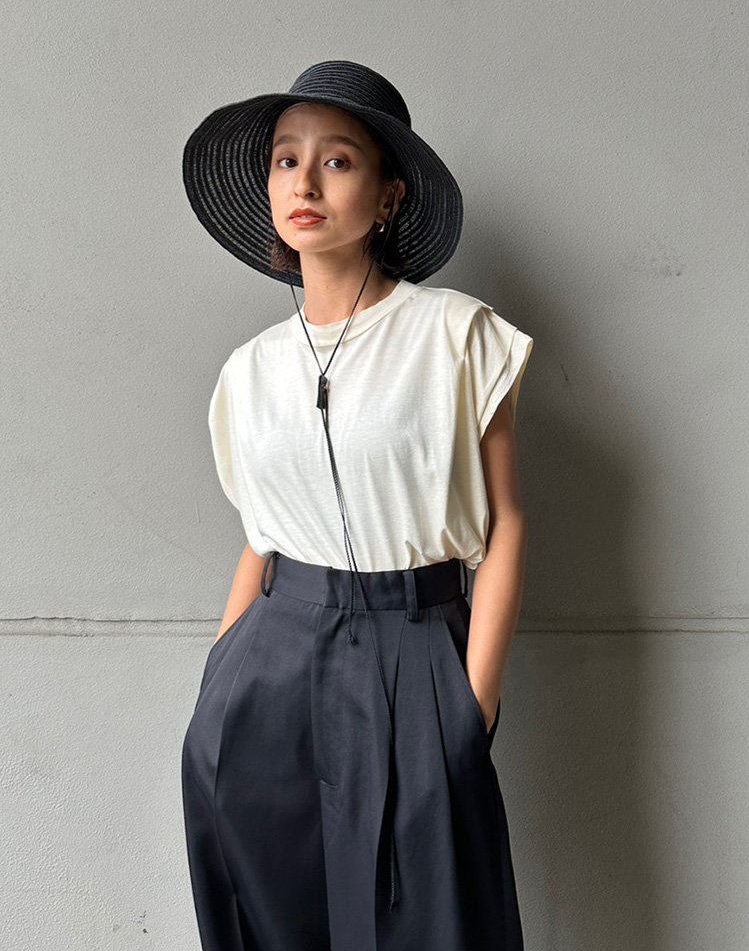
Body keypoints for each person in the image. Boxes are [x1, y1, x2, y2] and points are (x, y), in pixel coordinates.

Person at [180, 60, 534, 951]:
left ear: (387, 197)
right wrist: (218, 680)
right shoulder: (249, 371)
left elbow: (506, 525)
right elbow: (260, 537)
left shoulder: (456, 335)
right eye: (285, 159)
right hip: (270, 660)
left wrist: (471, 707)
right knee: (272, 921)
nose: (304, 182)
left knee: (434, 920)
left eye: (336, 160)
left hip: (418, 648)